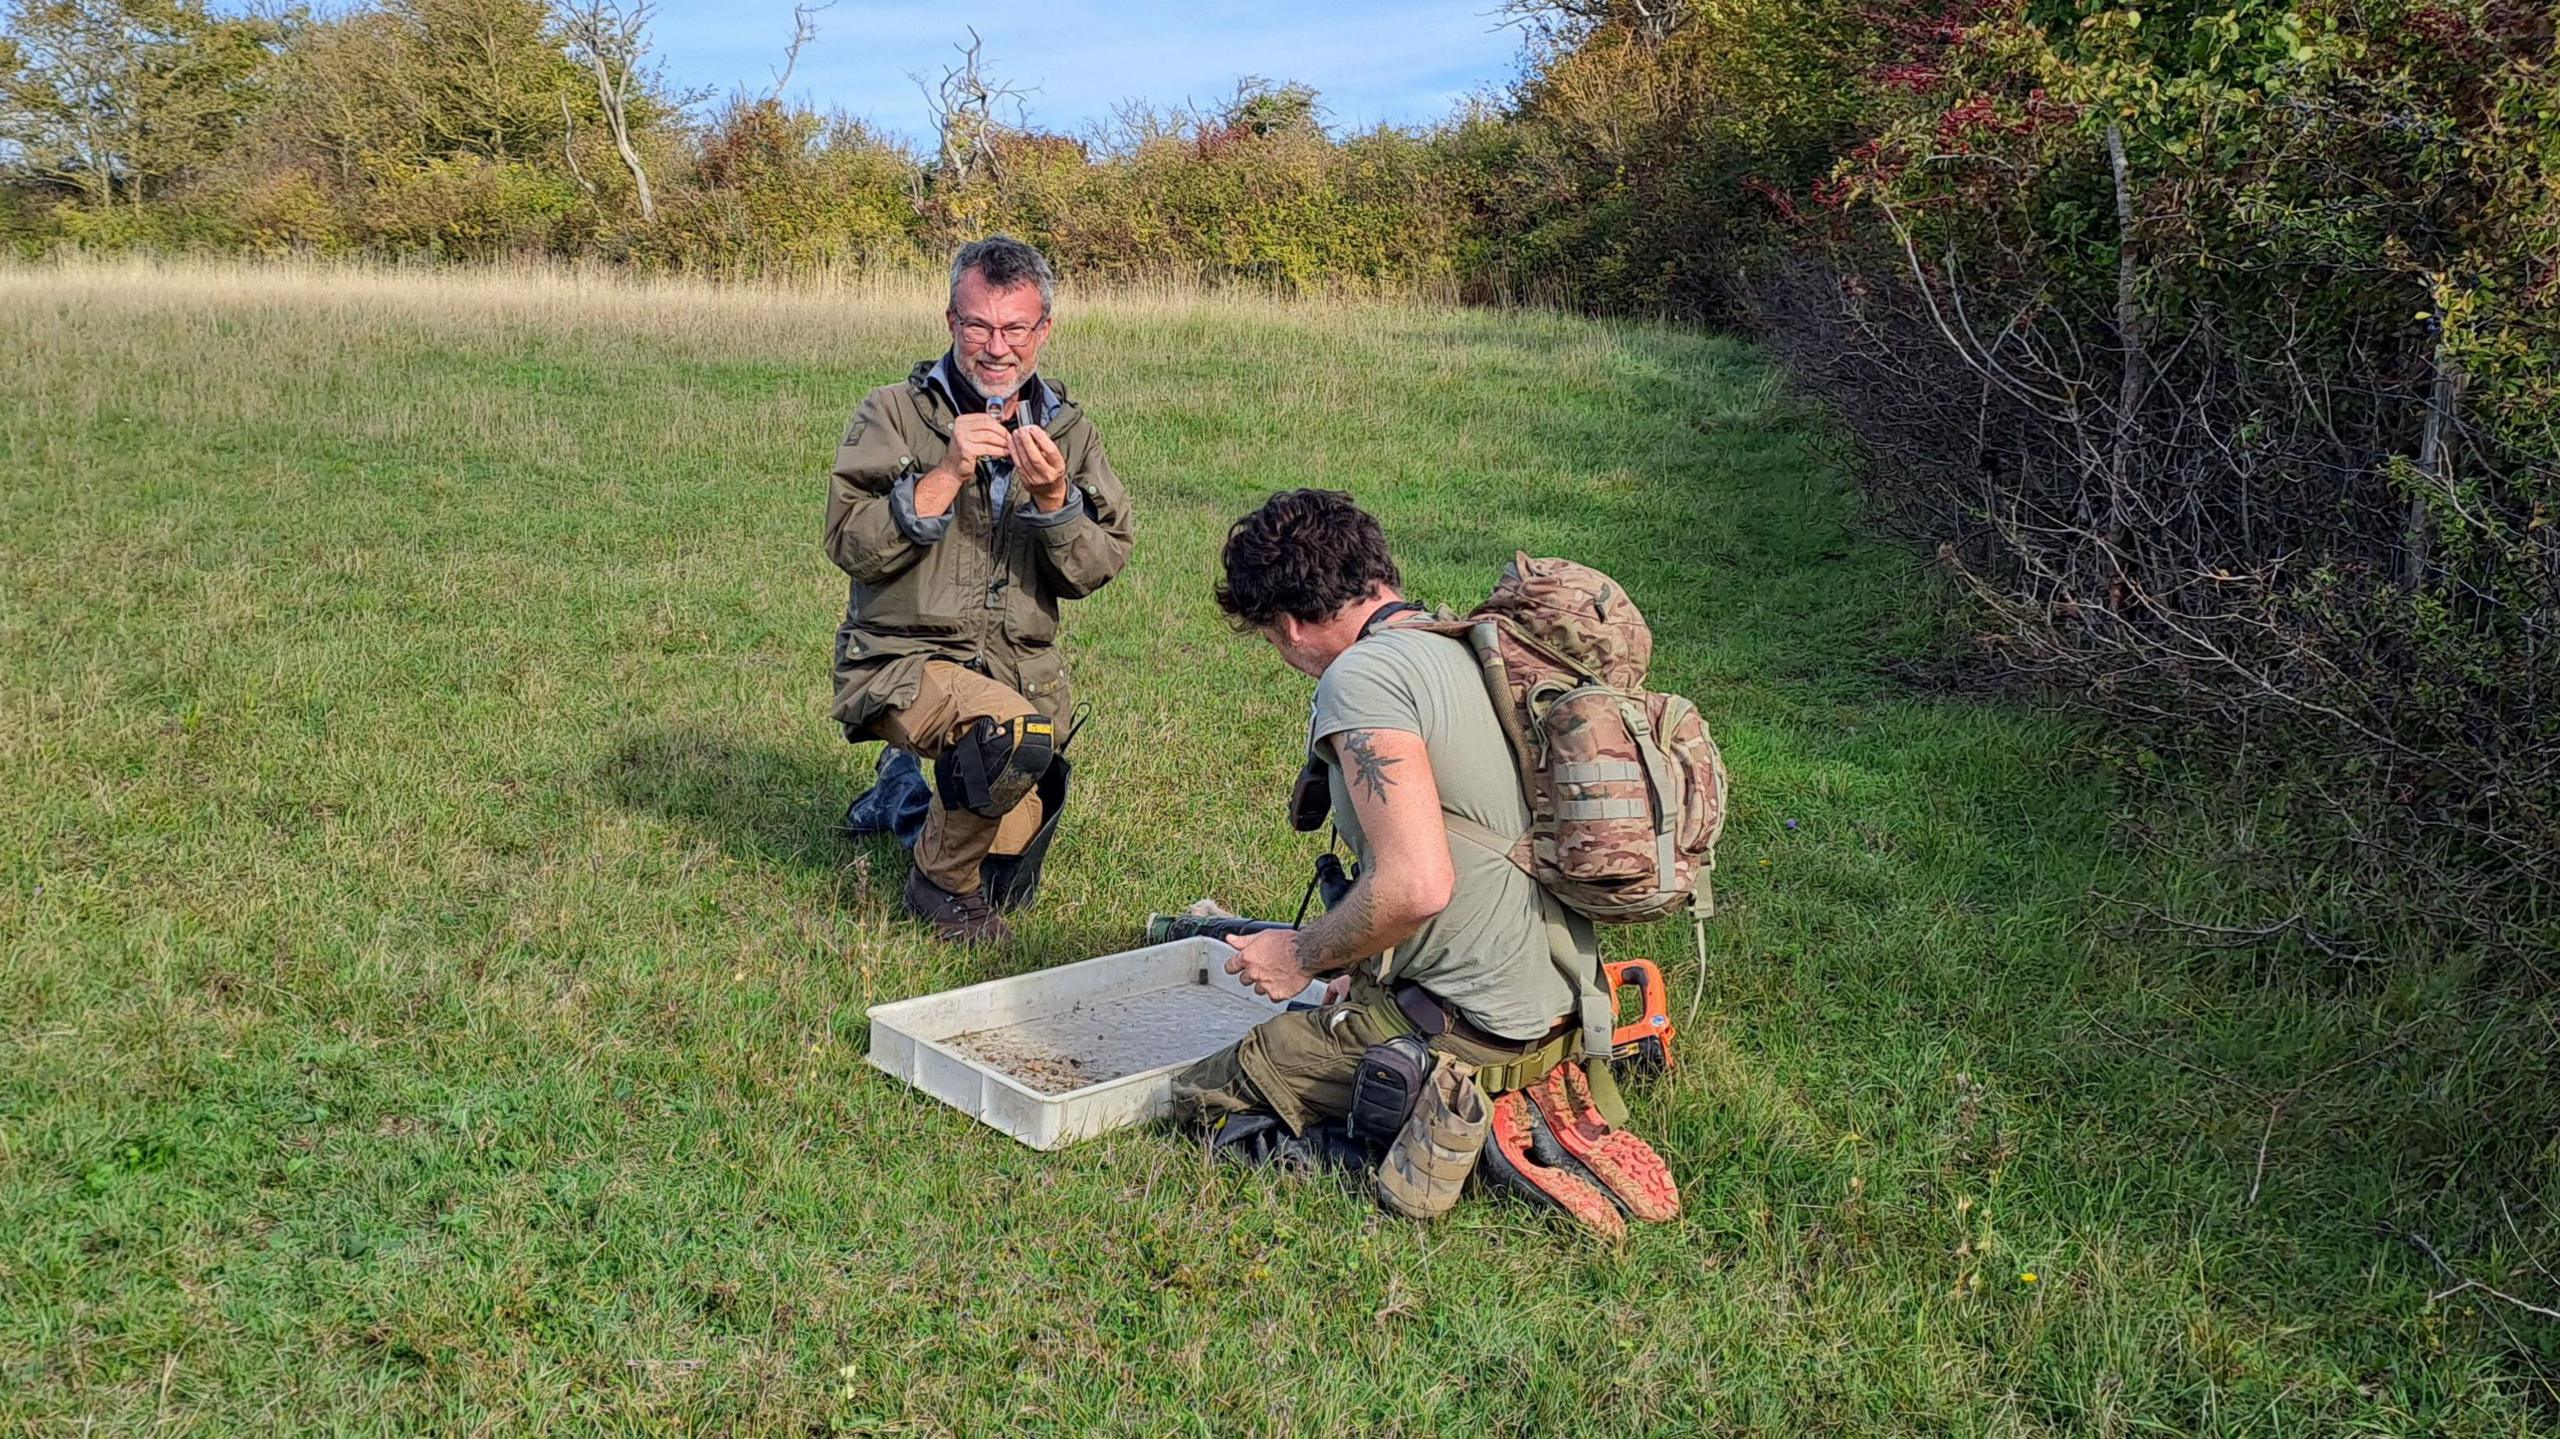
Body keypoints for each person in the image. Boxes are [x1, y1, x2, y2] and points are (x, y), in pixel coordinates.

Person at [1170, 490, 1677, 1235]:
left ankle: (1435, 1129)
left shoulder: (1364, 678)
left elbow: (1417, 883)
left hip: (1473, 1030)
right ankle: (1519, 1091)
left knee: (1206, 1097)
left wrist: (1300, 955)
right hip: (1567, 1003)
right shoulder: (1473, 645)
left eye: (1272, 641)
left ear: (1289, 623)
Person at [825, 237, 1134, 944]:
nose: (997, 348)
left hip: (1017, 675)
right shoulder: (892, 413)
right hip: (902, 664)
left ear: (1043, 331)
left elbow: (1096, 566)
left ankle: (902, 795)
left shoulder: (1071, 431)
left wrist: (1056, 499)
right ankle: (935, 888)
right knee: (1009, 740)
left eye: (1015, 328)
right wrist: (943, 475)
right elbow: (849, 543)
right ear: (950, 322)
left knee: (1007, 878)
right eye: (978, 326)